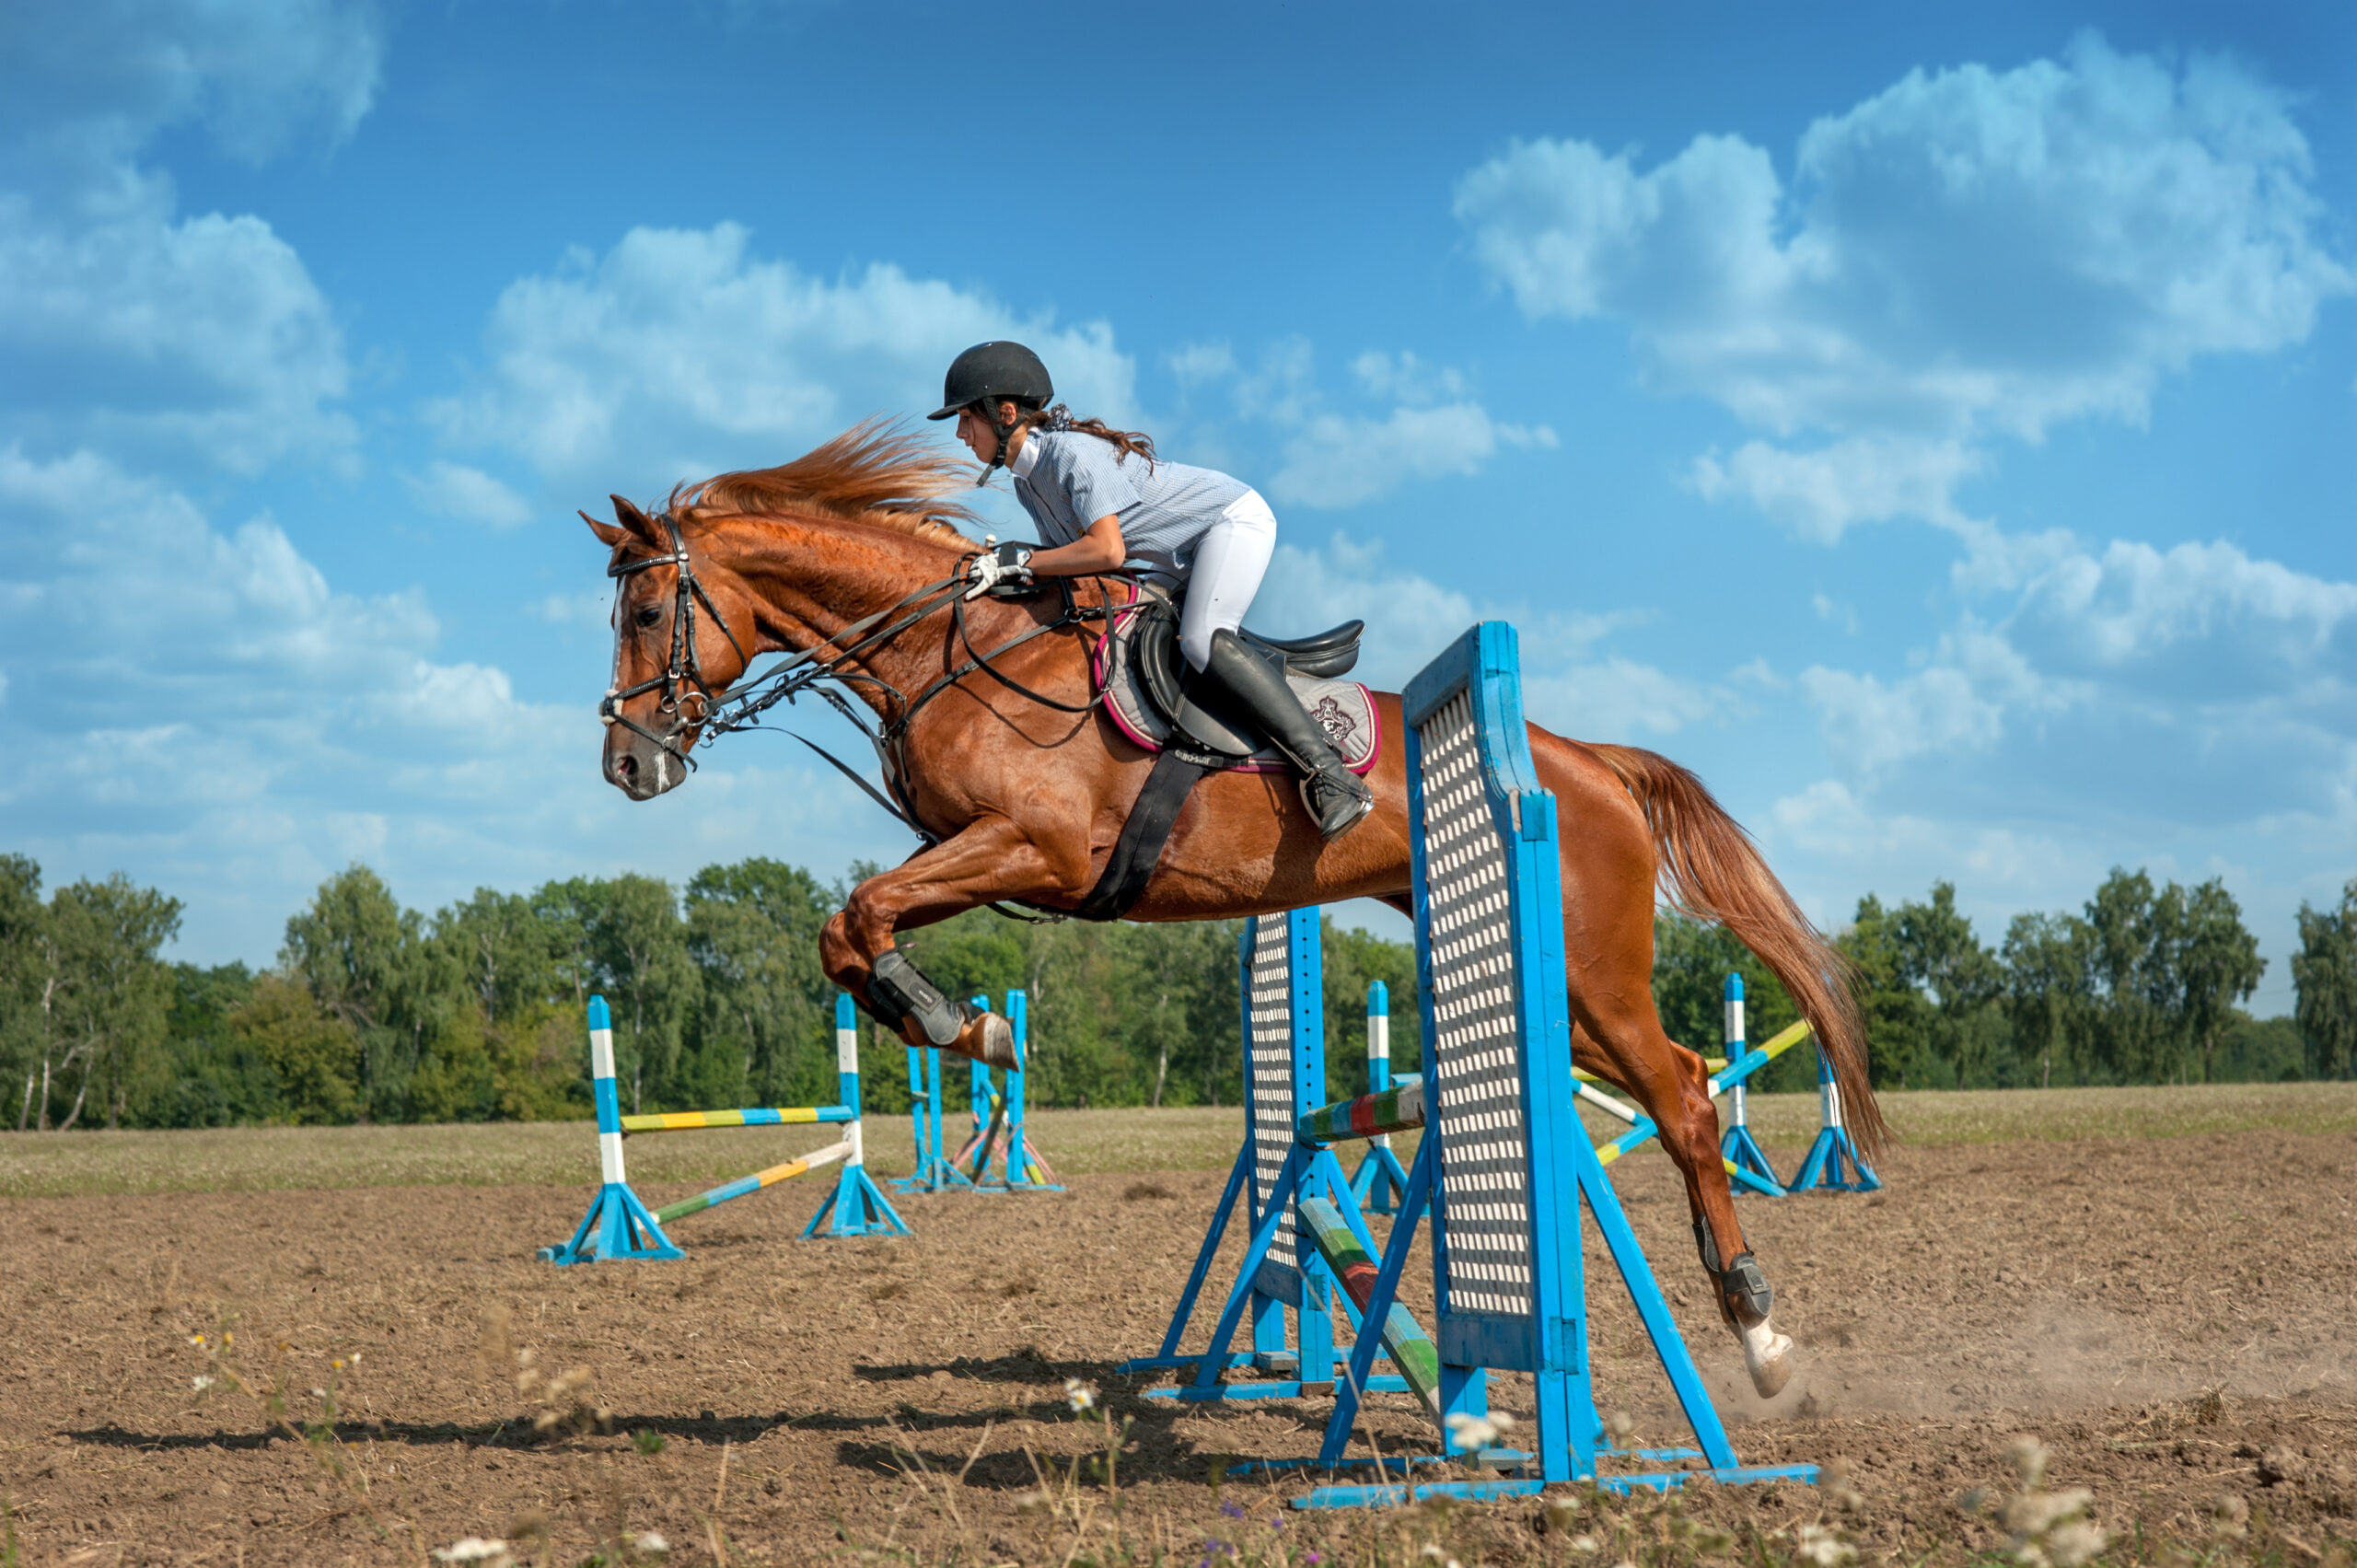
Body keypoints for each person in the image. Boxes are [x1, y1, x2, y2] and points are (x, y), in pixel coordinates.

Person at [929, 340, 1374, 841]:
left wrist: (1026, 558)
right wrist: (1007, 569)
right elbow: (1074, 569)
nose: (962, 434)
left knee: (1201, 641)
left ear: (1005, 412)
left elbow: (1107, 553)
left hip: (1230, 522)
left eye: (967, 419)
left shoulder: (1071, 454)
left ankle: (1331, 777)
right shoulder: (1026, 482)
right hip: (1177, 553)